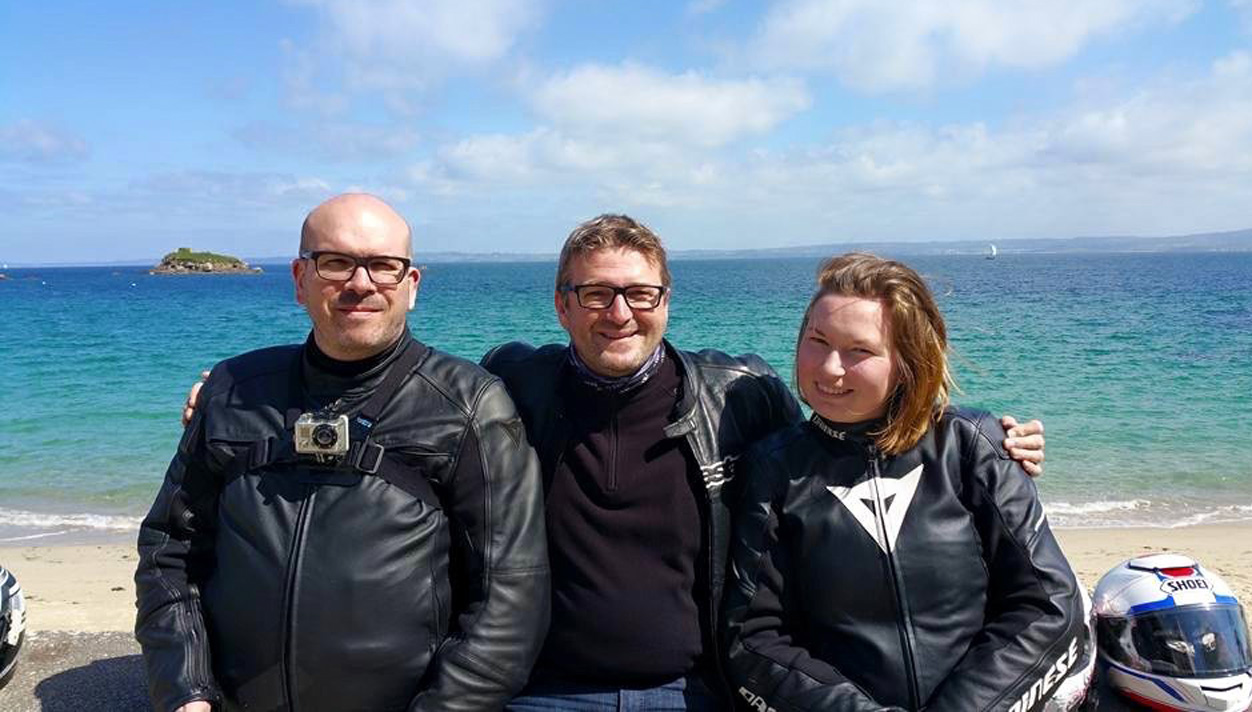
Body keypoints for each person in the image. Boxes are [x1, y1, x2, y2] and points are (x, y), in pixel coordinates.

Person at [481, 216, 1049, 710]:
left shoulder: (737, 393)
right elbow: (426, 417)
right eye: (597, 293)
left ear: (666, 301)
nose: (620, 313)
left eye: (640, 293)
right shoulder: (511, 388)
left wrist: (987, 440)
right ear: (562, 305)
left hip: (697, 691)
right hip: (544, 689)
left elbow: (853, 441)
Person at [137, 194, 550, 712]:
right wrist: (185, 691)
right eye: (336, 262)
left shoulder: (468, 406)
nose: (361, 283)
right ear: (299, 279)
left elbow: (511, 597)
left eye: (383, 265)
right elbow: (169, 551)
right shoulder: (233, 390)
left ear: (411, 285)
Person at [723, 253, 1089, 711]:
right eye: (817, 341)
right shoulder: (773, 468)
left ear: (906, 360)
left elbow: (1050, 605)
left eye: (859, 351)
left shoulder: (972, 446)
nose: (830, 368)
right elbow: (753, 639)